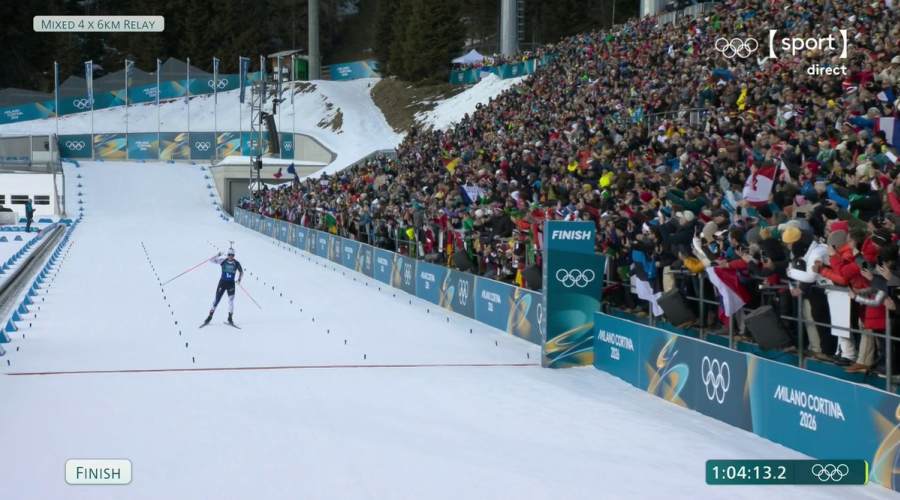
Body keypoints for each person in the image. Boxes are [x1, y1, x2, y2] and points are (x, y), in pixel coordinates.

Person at [202, 248, 243, 326]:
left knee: (231, 301)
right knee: (216, 300)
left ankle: (230, 318)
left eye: (232, 255)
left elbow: (241, 272)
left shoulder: (236, 263)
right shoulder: (223, 260)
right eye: (229, 255)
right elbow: (211, 260)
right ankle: (209, 317)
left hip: (231, 284)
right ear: (227, 255)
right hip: (222, 283)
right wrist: (218, 254)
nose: (231, 256)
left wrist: (239, 280)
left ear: (234, 256)